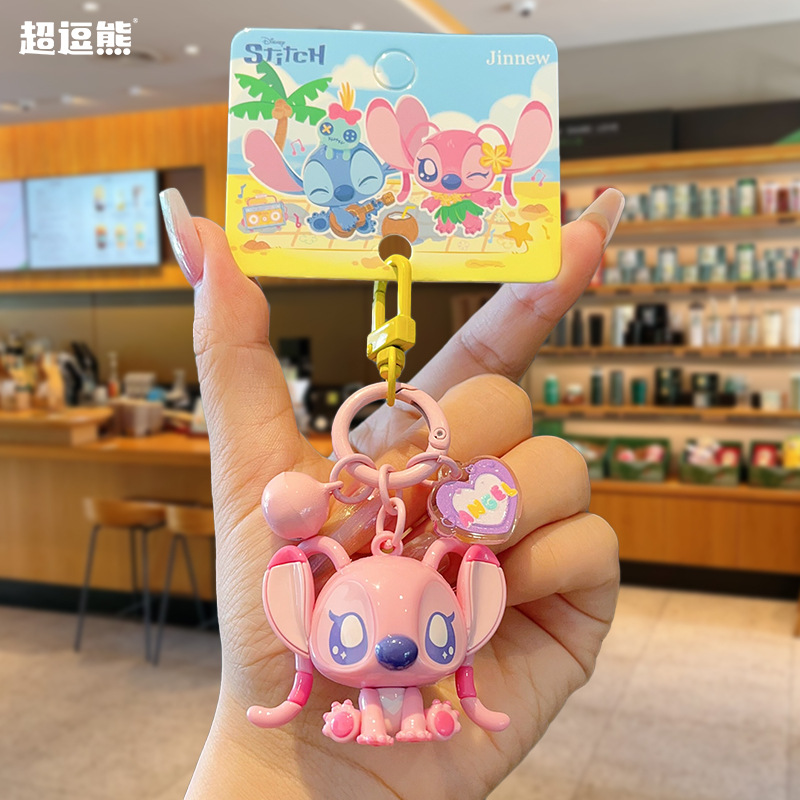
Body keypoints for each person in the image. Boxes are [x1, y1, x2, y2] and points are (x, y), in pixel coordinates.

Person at [159, 187, 624, 799]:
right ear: (298, 619)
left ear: (474, 615)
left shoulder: (413, 570)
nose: (399, 652)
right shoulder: (319, 563)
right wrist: (277, 765)